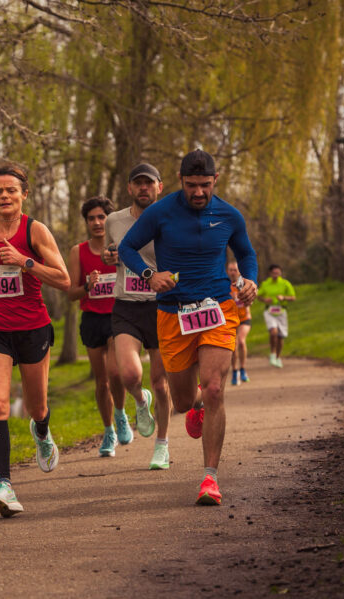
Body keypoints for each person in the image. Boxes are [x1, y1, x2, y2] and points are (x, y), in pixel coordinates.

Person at [118, 149, 258, 506]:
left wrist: (250, 280)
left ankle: (210, 478)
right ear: (180, 182)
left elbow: (246, 253)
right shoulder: (160, 213)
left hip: (218, 310)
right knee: (181, 400)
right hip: (173, 313)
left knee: (213, 389)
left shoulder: (229, 215)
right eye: (192, 185)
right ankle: (193, 406)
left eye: (205, 185)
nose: (198, 192)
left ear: (216, 181)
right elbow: (128, 248)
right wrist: (150, 274)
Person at [0, 163, 71, 518]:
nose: (5, 196)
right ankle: (4, 485)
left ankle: (41, 429)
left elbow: (64, 279)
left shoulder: (35, 230)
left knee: (36, 406)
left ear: (24, 194)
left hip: (32, 329)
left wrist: (26, 262)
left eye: (11, 190)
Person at [101, 163, 171, 470]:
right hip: (126, 305)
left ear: (160, 186)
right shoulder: (114, 220)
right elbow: (110, 251)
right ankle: (140, 402)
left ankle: (162, 445)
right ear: (130, 188)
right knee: (128, 375)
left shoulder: (171, 218)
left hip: (161, 305)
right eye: (138, 183)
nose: (144, 188)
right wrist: (109, 256)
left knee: (161, 382)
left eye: (149, 183)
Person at [66, 197, 126, 457]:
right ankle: (108, 431)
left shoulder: (121, 248)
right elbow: (70, 293)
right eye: (92, 218)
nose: (97, 222)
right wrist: (88, 286)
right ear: (87, 222)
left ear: (109, 220)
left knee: (115, 373)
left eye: (102, 217)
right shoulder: (78, 251)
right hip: (92, 320)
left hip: (117, 317)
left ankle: (122, 415)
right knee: (101, 382)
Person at [258, 264, 296, 368]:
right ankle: (272, 354)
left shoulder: (285, 283)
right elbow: (258, 295)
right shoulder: (265, 284)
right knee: (273, 332)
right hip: (269, 311)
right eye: (274, 273)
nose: (276, 275)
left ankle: (278, 357)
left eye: (278, 273)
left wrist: (283, 297)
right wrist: (264, 299)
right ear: (270, 273)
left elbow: (293, 297)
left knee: (280, 337)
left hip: (281, 311)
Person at [226, 261, 251, 384]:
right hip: (230, 319)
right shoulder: (224, 285)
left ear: (239, 271)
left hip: (244, 318)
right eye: (230, 270)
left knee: (241, 341)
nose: (232, 272)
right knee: (233, 346)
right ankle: (235, 372)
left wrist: (246, 303)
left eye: (234, 270)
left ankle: (243, 369)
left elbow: (250, 300)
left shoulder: (243, 283)